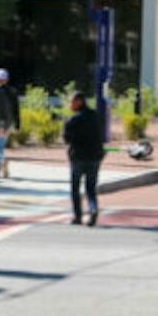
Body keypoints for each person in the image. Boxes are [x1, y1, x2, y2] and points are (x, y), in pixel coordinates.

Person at [63, 91, 105, 226]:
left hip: (78, 157)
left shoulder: (73, 120)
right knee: (90, 188)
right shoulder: (95, 116)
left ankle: (78, 216)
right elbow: (101, 135)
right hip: (95, 157)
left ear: (79, 102)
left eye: (72, 101)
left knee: (75, 188)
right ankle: (93, 209)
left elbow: (66, 138)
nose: (70, 104)